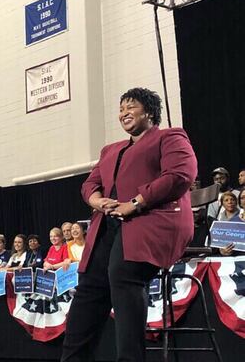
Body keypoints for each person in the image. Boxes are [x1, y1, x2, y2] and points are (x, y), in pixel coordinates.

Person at [61, 88, 197, 362]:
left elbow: (182, 174)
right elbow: (90, 184)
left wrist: (135, 202)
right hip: (108, 226)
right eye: (121, 108)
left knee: (122, 274)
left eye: (130, 107)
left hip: (149, 223)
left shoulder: (169, 137)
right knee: (90, 287)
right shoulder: (111, 150)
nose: (123, 112)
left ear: (148, 111)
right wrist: (98, 201)